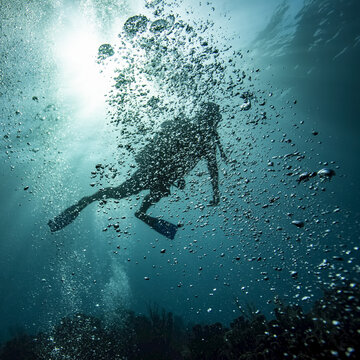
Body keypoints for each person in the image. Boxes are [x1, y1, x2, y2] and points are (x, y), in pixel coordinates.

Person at [48, 102, 227, 239]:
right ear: (206, 118)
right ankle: (88, 201)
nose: (212, 122)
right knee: (122, 193)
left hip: (161, 176)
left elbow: (213, 168)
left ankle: (139, 212)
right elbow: (212, 168)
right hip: (153, 171)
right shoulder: (193, 132)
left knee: (153, 192)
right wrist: (215, 192)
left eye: (213, 119)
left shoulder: (205, 141)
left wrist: (216, 191)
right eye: (212, 118)